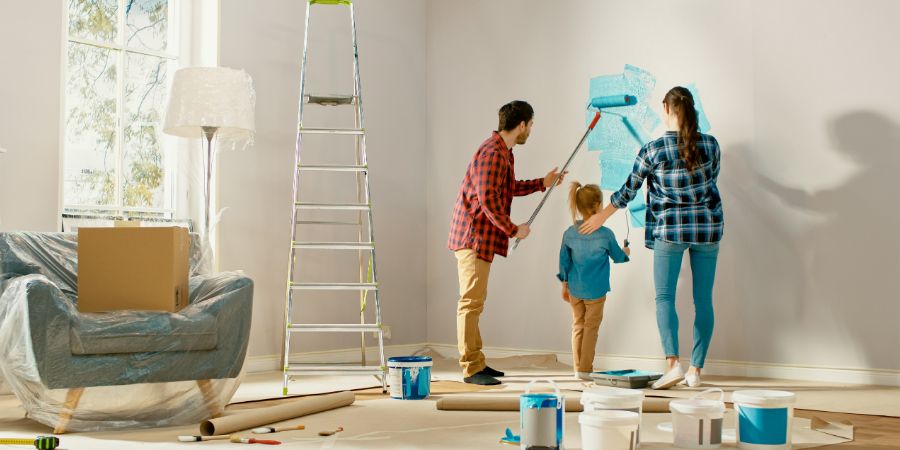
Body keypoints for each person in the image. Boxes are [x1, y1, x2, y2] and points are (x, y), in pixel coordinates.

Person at [579, 87, 724, 389]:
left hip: (670, 230)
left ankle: (673, 365)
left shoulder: (653, 150)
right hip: (706, 229)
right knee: (704, 300)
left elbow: (628, 190)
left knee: (665, 298)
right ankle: (696, 371)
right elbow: (712, 179)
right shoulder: (711, 145)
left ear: (665, 109)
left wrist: (601, 216)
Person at [448, 100, 567, 385]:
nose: (531, 131)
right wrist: (514, 230)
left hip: (482, 239)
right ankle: (470, 368)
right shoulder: (492, 153)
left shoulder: (504, 153)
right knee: (470, 303)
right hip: (473, 238)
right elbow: (488, 201)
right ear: (522, 124)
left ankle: (477, 362)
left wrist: (543, 182)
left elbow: (507, 188)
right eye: (532, 125)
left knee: (476, 302)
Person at [558, 182, 630, 380]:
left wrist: (564, 285)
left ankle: (577, 369)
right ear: (598, 206)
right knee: (591, 328)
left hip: (575, 288)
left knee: (577, 325)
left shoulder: (569, 233)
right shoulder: (606, 235)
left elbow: (563, 262)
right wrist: (626, 252)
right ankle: (585, 369)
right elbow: (618, 257)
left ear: (579, 207)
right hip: (596, 291)